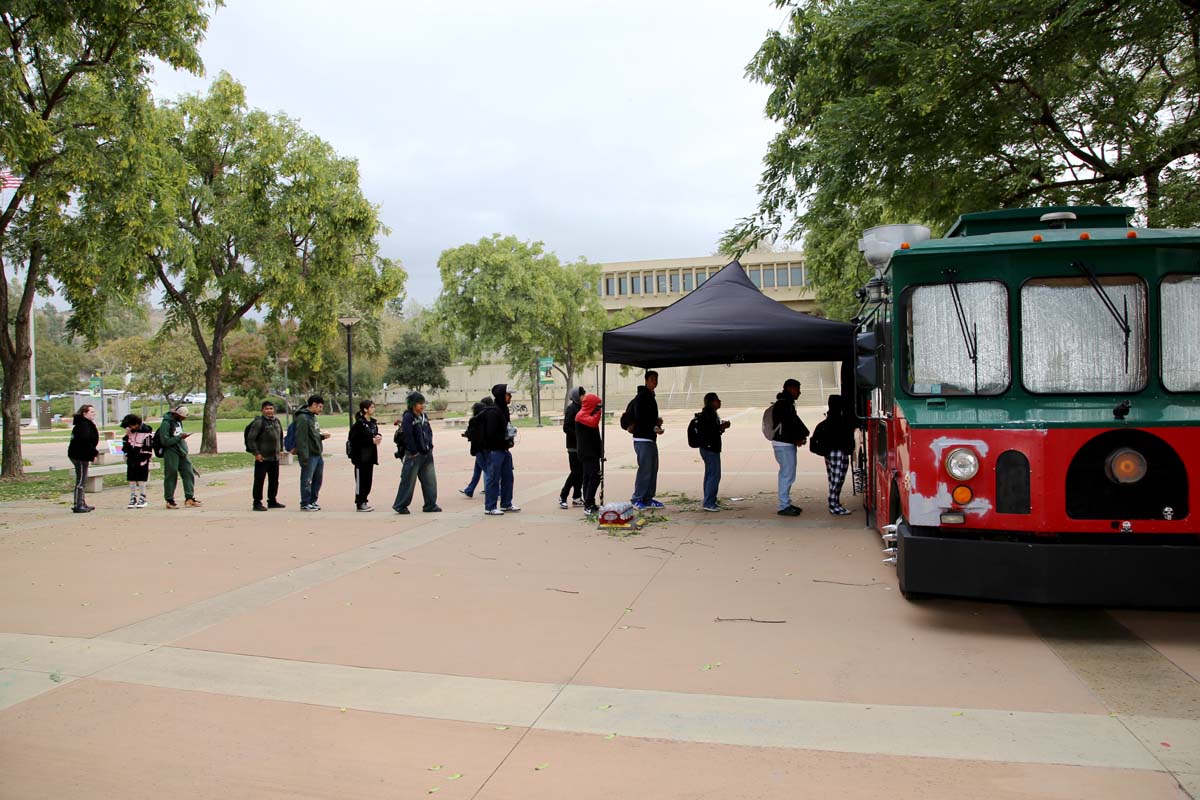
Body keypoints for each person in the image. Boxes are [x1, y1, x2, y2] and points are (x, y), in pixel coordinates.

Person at [392, 391, 441, 514]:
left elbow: (428, 431)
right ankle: (400, 505)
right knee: (408, 481)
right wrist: (413, 451)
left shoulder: (424, 416)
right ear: (413, 404)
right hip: (414, 455)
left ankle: (430, 504)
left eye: (423, 403)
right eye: (420, 403)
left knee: (430, 481)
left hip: (426, 453)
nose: (422, 406)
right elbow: (408, 435)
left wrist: (430, 446)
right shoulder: (408, 417)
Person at [771, 379, 810, 517]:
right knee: (787, 475)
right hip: (784, 444)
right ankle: (784, 505)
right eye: (797, 389)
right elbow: (788, 424)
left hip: (783, 443)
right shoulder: (784, 404)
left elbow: (791, 423)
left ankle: (786, 502)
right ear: (790, 388)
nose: (799, 392)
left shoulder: (785, 403)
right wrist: (796, 438)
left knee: (787, 474)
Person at [480, 383, 519, 516]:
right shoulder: (493, 411)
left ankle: (506, 503)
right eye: (508, 395)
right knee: (493, 478)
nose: (510, 397)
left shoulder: (504, 410)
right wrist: (504, 437)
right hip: (494, 450)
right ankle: (490, 506)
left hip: (504, 449)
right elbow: (491, 433)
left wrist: (510, 437)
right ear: (502, 395)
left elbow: (507, 426)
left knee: (508, 477)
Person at [629, 371, 664, 509]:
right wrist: (653, 426)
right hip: (642, 438)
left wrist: (656, 422)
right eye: (652, 379)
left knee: (653, 468)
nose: (655, 382)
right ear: (646, 380)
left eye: (656, 379)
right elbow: (641, 417)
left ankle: (648, 498)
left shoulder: (650, 396)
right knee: (645, 468)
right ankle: (637, 498)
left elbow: (648, 417)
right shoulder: (642, 397)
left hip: (650, 438)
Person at [821, 394, 857, 516]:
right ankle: (833, 505)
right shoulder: (840, 418)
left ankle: (835, 503)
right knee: (837, 480)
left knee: (833, 479)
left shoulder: (830, 417)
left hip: (830, 451)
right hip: (838, 451)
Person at [246, 401, 285, 512]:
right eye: (267, 409)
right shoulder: (259, 423)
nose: (269, 411)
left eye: (271, 408)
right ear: (262, 410)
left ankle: (272, 500)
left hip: (274, 457)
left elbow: (280, 436)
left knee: (274, 480)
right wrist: (256, 453)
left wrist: (281, 449)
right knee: (259, 481)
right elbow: (251, 439)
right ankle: (257, 502)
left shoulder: (276, 421)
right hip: (262, 458)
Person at [294, 394, 331, 511]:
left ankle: (312, 500)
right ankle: (305, 502)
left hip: (317, 453)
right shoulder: (303, 418)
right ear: (313, 405)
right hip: (309, 455)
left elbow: (313, 435)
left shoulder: (312, 417)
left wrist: (321, 436)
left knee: (317, 479)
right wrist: (304, 457)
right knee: (307, 479)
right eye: (320, 407)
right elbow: (301, 439)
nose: (321, 409)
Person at [159, 405, 200, 509]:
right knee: (171, 474)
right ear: (177, 414)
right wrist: (179, 438)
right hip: (171, 451)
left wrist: (182, 438)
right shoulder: (166, 423)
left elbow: (178, 435)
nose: (184, 419)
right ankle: (169, 500)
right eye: (183, 417)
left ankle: (189, 498)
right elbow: (165, 441)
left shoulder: (178, 422)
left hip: (181, 450)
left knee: (188, 472)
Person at [696, 392, 730, 512]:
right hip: (710, 448)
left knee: (710, 474)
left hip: (708, 447)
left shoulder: (709, 414)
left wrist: (721, 428)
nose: (719, 402)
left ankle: (710, 500)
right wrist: (722, 427)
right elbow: (711, 431)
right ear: (712, 402)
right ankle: (709, 502)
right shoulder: (709, 415)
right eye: (717, 400)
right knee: (714, 475)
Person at [349, 399, 382, 511]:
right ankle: (360, 502)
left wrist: (378, 436)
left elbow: (374, 433)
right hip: (360, 457)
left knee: (368, 481)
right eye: (371, 407)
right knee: (361, 481)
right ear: (365, 409)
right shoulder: (359, 424)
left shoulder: (372, 423)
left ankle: (365, 500)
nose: (373, 409)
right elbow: (354, 440)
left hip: (370, 456)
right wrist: (370, 440)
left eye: (373, 407)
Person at [575, 392, 604, 514]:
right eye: (596, 405)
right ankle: (588, 504)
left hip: (592, 452)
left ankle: (590, 501)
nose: (598, 408)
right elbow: (593, 422)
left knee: (589, 477)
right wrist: (598, 412)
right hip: (587, 453)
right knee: (594, 478)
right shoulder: (581, 415)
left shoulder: (588, 414)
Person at [68, 404, 99, 513]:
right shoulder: (83, 425)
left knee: (82, 479)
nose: (94, 414)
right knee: (81, 480)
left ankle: (81, 502)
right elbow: (85, 441)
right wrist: (93, 454)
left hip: (81, 454)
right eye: (91, 412)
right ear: (84, 413)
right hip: (80, 455)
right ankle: (78, 504)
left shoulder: (85, 424)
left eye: (94, 412)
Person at [459, 396, 493, 498]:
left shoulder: (474, 420)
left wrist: (466, 435)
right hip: (486, 448)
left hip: (479, 449)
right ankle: (469, 489)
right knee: (477, 471)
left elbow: (472, 433)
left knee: (487, 470)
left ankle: (496, 490)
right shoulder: (487, 419)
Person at [558, 386, 585, 509]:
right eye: (581, 395)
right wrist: (578, 435)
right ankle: (563, 496)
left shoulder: (583, 408)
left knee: (581, 472)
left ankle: (577, 497)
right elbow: (566, 427)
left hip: (582, 446)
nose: (583, 397)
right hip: (573, 446)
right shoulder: (571, 409)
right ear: (576, 396)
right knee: (575, 472)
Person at [120, 413, 154, 509]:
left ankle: (143, 497)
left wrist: (144, 458)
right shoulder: (130, 431)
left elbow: (148, 446)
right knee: (131, 478)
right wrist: (126, 452)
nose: (131, 428)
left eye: (131, 425)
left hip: (141, 456)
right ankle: (133, 496)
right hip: (131, 456)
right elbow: (126, 443)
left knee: (141, 478)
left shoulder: (146, 432)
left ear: (137, 424)